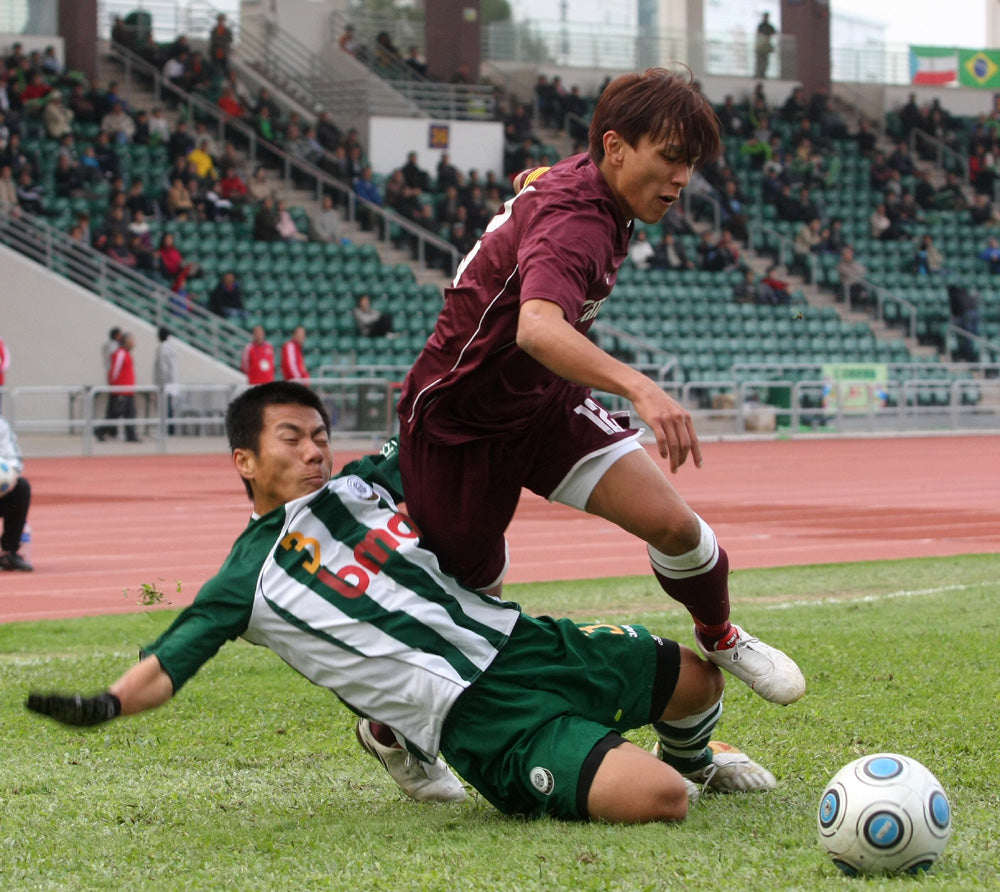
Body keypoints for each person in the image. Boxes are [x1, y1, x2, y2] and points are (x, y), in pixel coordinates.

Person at [25, 382, 777, 820]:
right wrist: (106, 705)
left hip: (526, 642)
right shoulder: (243, 578)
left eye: (319, 435)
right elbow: (168, 662)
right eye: (291, 439)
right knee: (661, 801)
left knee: (699, 683)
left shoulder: (365, 482)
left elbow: (436, 434)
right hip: (478, 717)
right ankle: (402, 733)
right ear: (244, 460)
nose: (313, 450)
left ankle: (696, 756)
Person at [395, 67, 805, 800]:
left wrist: (530, 190)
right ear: (616, 147)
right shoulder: (578, 219)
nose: (682, 179)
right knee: (469, 617)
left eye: (690, 163)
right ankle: (392, 729)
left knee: (676, 526)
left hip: (543, 403)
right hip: (459, 426)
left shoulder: (594, 187)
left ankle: (718, 636)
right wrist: (641, 387)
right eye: (670, 158)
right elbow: (536, 327)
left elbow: (540, 189)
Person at [0, 414, 32, 571]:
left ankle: (8, 552)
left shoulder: (1, 425)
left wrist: (7, 475)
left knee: (21, 488)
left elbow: (15, 460)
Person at [101, 332, 140, 443]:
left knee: (130, 413)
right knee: (115, 413)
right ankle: (100, 431)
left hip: (128, 390)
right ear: (126, 342)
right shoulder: (120, 353)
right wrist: (115, 387)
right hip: (121, 390)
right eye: (132, 341)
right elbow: (114, 371)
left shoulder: (127, 354)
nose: (134, 343)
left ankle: (131, 435)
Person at [153, 326, 178, 434]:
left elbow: (163, 367)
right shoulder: (172, 347)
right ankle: (170, 429)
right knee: (169, 406)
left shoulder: (162, 349)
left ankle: (167, 430)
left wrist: (163, 382)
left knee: (164, 407)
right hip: (171, 381)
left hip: (165, 382)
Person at [755, 13, 777, 79]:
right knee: (761, 61)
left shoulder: (767, 26)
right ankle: (759, 74)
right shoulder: (762, 26)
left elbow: (774, 32)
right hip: (762, 46)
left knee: (764, 62)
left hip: (764, 46)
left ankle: (761, 74)